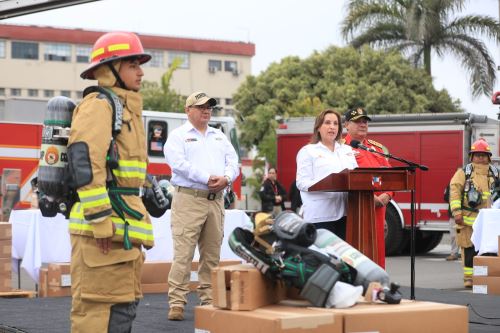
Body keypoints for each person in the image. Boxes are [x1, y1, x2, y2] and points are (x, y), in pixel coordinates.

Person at [67, 32, 154, 332]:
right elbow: (84, 163)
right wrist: (101, 220)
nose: (141, 71)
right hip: (102, 232)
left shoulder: (125, 109)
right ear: (110, 68)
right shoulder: (99, 106)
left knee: (121, 313)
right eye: (133, 64)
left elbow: (123, 169)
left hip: (122, 232)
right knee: (97, 317)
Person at [164, 91, 239, 321]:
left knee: (211, 256)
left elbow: (233, 161)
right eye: (201, 107)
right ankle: (177, 302)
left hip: (215, 201)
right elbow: (178, 164)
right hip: (189, 199)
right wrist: (208, 178)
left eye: (209, 107)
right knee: (183, 255)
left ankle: (208, 299)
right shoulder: (177, 136)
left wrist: (227, 178)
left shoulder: (218, 135)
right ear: (188, 110)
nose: (207, 110)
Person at [343, 107, 393, 269]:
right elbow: (343, 179)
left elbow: (390, 176)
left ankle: (377, 288)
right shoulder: (341, 149)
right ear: (346, 125)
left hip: (378, 212)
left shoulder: (376, 148)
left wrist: (388, 195)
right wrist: (368, 198)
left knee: (377, 257)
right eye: (357, 121)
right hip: (356, 212)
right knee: (357, 256)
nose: (362, 124)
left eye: (364, 121)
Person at [296, 109, 357, 240]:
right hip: (320, 215)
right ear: (318, 127)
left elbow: (356, 176)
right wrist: (326, 183)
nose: (332, 127)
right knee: (323, 259)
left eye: (335, 123)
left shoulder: (347, 150)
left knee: (342, 259)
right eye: (327, 123)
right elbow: (301, 182)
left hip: (346, 214)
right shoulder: (308, 151)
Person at [449, 138, 496, 288]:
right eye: (477, 154)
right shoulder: (464, 173)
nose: (480, 157)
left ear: (489, 157)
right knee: (469, 248)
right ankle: (469, 278)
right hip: (468, 218)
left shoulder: (495, 173)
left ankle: (485, 277)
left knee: (488, 249)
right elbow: (455, 191)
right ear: (471, 156)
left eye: (483, 154)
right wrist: (456, 212)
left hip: (490, 221)